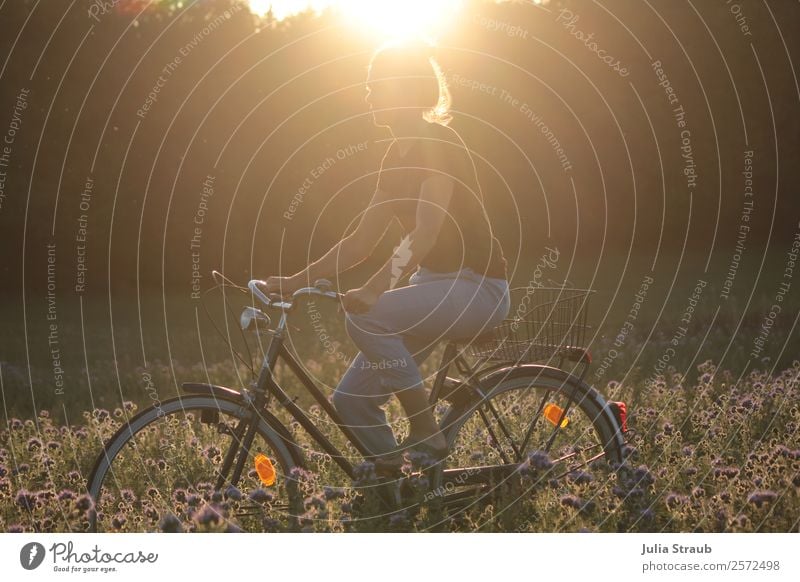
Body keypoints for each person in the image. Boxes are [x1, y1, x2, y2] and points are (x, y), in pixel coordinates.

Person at [260, 40, 510, 469]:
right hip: (433, 287)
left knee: (365, 316)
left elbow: (426, 232)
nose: (369, 94)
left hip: (477, 288)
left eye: (378, 85)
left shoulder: (439, 143)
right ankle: (397, 486)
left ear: (406, 91)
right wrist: (293, 281)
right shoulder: (395, 158)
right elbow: (360, 241)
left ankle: (424, 429)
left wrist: (376, 289)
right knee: (352, 401)